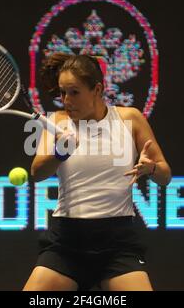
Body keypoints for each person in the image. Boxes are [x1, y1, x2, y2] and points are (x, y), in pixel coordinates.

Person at [23, 53, 172, 291]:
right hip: (66, 244)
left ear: (97, 89)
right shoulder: (57, 123)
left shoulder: (130, 119)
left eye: (74, 92)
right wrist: (60, 152)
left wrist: (151, 168)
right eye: (62, 93)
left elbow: (166, 175)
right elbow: (37, 172)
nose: (66, 100)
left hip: (117, 245)